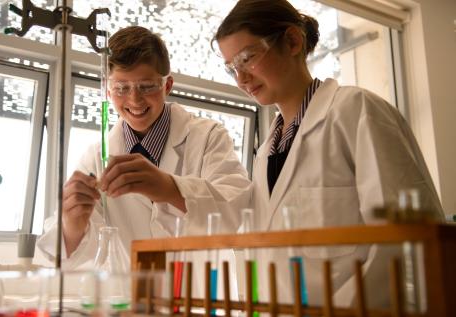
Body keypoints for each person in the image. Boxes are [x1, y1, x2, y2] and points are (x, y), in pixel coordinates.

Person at [213, 0, 444, 308]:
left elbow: (410, 240)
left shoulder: (357, 111)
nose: (241, 79)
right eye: (232, 68)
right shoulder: (266, 151)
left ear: (293, 41)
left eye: (247, 58)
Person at [37, 26, 252, 272]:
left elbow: (238, 212)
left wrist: (170, 189)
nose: (134, 100)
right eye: (122, 88)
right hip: (132, 301)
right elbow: (64, 257)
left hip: (200, 299)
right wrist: (71, 223)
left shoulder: (208, 137)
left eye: (146, 86)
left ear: (167, 85)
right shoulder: (97, 157)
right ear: (108, 89)